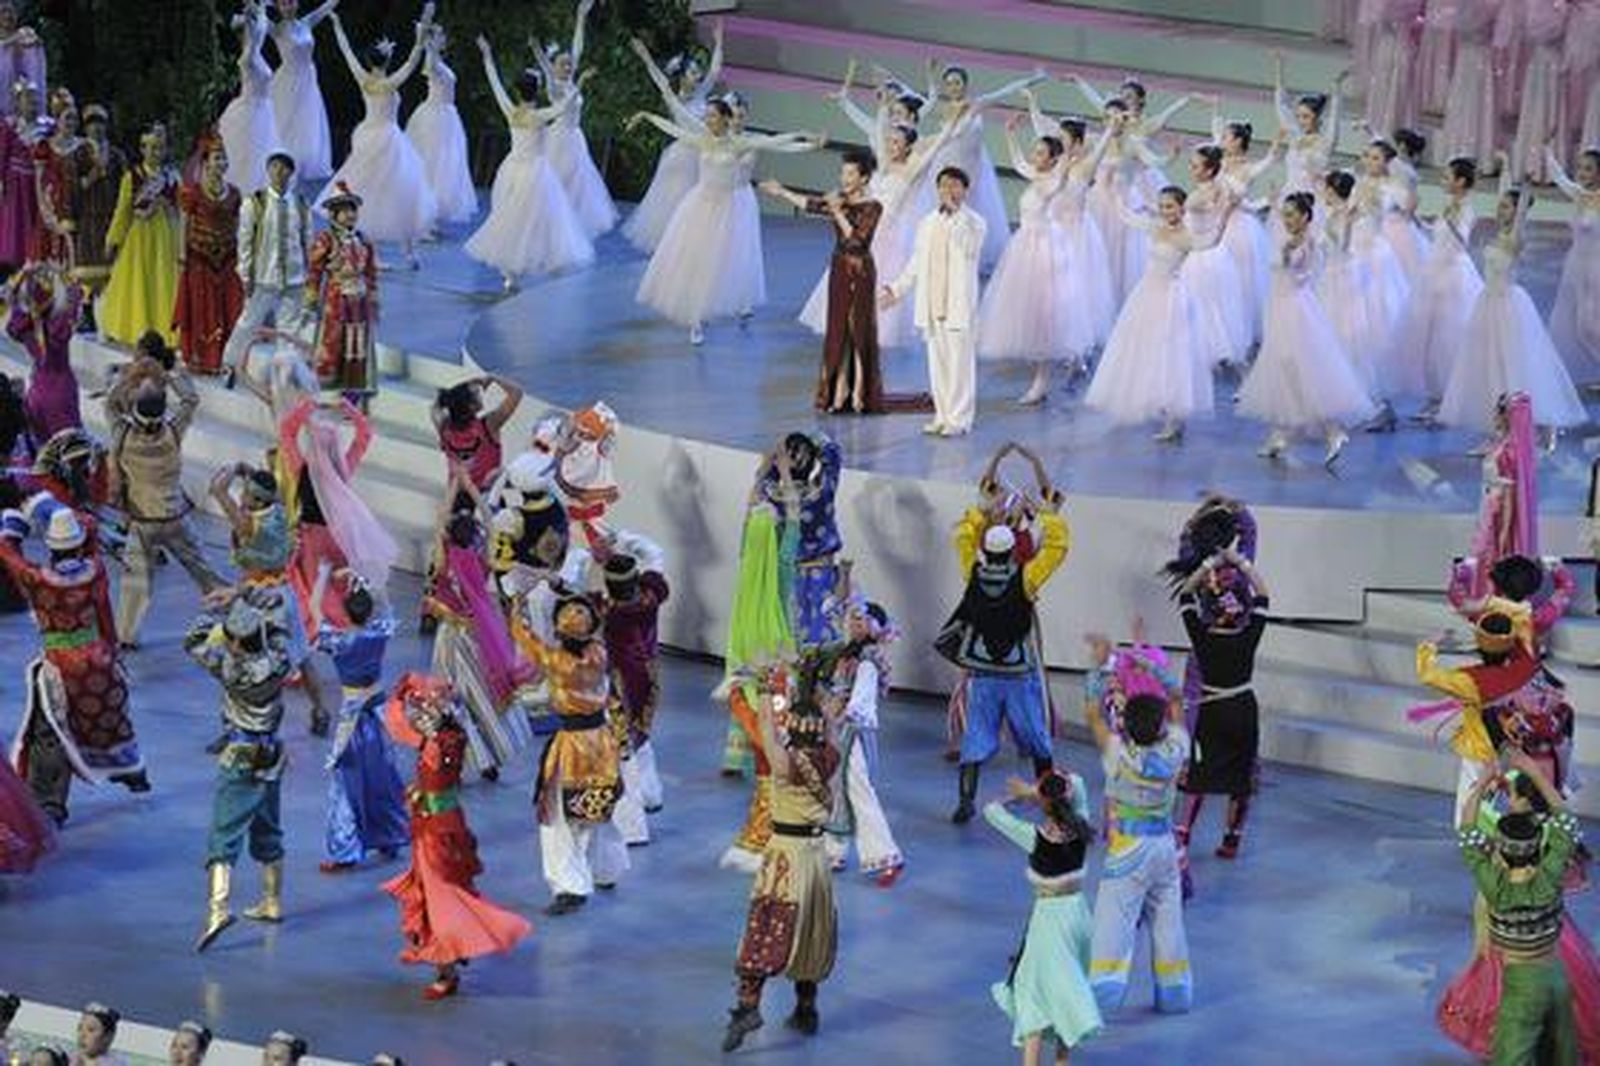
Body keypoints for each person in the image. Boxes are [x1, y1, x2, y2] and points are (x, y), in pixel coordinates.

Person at [381, 672, 532, 999]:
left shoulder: (434, 743)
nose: (417, 715)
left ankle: (447, 966)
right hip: (445, 821)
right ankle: (454, 953)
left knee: (441, 897)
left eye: (421, 710)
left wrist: (400, 693)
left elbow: (394, 724)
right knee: (448, 890)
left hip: (436, 828)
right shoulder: (453, 735)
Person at [938, 450, 1067, 824]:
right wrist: (1049, 515)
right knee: (1037, 737)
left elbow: (963, 534)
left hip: (983, 670)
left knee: (976, 735)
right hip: (1017, 668)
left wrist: (980, 507)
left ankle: (965, 802)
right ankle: (1052, 798)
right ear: (1012, 548)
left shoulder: (972, 572)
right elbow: (1057, 547)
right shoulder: (1026, 578)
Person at [2, 495, 146, 824]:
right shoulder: (94, 571)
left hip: (61, 666)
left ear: (51, 547)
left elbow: (8, 555)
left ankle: (50, 804)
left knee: (50, 731)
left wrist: (12, 527)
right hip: (99, 656)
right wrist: (113, 651)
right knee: (108, 718)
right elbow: (104, 612)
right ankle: (130, 770)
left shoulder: (39, 580)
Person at [721, 655, 839, 1053]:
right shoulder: (829, 759)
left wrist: (769, 690)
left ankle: (747, 1006)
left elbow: (767, 731)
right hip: (815, 859)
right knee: (809, 934)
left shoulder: (786, 764)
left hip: (783, 859)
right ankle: (807, 1008)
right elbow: (833, 728)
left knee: (766, 930)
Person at [631, 101, 822, 345]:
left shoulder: (739, 144)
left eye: (712, 116)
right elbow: (673, 129)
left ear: (725, 118)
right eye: (707, 116)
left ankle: (701, 314)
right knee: (694, 260)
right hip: (698, 205)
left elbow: (775, 143)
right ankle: (695, 319)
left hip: (724, 211)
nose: (708, 120)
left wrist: (804, 139)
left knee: (714, 265)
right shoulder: (702, 139)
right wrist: (647, 113)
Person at [1451, 757, 1593, 1061]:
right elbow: (1565, 820)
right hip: (1556, 976)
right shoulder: (1549, 876)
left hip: (1522, 986)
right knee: (1561, 1055)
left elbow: (1466, 830)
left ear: (1500, 849)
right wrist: (1535, 774)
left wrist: (1481, 785)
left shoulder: (1497, 888)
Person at [187, 584, 296, 952]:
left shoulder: (228, 666)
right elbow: (279, 618)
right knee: (268, 827)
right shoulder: (279, 660)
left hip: (240, 755)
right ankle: (272, 900)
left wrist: (220, 611)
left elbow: (193, 639)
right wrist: (248, 603)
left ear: (234, 641)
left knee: (224, 834)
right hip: (272, 754)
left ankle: (218, 910)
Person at [1441, 168, 1586, 436]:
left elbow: (1519, 215)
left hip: (1507, 304)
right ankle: (1497, 428)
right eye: (1500, 206)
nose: (1500, 211)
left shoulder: (1516, 237)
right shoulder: (1498, 234)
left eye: (1506, 207)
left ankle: (1521, 427)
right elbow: (1505, 196)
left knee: (1510, 364)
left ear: (1517, 211)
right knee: (1487, 362)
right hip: (1487, 302)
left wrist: (1527, 187)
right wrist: (1507, 166)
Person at [512, 579, 627, 915]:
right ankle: (607, 869)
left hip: (573, 747)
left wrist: (516, 601)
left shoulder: (557, 662)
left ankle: (570, 886)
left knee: (558, 817)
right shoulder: (600, 654)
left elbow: (522, 635)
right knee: (597, 809)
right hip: (602, 742)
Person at [762, 150, 907, 415]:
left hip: (860, 270)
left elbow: (857, 241)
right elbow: (810, 204)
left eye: (851, 173)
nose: (845, 178)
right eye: (843, 173)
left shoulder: (873, 206)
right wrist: (782, 191)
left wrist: (838, 211)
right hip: (840, 268)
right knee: (838, 328)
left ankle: (860, 389)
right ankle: (839, 385)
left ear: (864, 178)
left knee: (858, 327)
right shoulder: (839, 200)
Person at [1083, 185, 1230, 443]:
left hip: (1171, 298)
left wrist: (1226, 214)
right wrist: (1115, 195)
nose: (1165, 211)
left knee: (1171, 354)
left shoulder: (1186, 236)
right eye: (1162, 206)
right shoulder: (1156, 228)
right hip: (1146, 293)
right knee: (1146, 349)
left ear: (1182, 208)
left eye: (1170, 206)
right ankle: (1158, 404)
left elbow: (1211, 242)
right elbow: (1129, 217)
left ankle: (1174, 418)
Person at [1236, 192, 1374, 465]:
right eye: (1283, 214)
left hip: (1295, 311)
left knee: (1297, 372)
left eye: (1290, 214)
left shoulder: (1309, 243)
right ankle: (1281, 434)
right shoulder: (1291, 240)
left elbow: (1299, 273)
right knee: (1284, 372)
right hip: (1280, 308)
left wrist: (1288, 256)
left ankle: (1331, 431)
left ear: (1305, 217)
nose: (1285, 219)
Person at [1084, 691, 1193, 1015]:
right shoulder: (1174, 751)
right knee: (1168, 920)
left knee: (1113, 924)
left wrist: (1097, 689)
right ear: (1160, 726)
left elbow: (1095, 721)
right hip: (1165, 847)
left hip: (1129, 849)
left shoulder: (1119, 755)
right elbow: (1177, 718)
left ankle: (1103, 997)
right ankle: (1175, 994)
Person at [105, 359, 225, 647]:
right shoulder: (173, 431)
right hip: (174, 518)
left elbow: (110, 404)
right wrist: (171, 376)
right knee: (202, 568)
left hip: (142, 522)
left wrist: (128, 377)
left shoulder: (123, 434)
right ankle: (233, 609)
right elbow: (191, 399)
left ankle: (127, 637)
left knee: (135, 583)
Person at [426, 467, 536, 782]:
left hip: (450, 638)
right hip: (479, 637)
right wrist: (471, 486)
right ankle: (489, 759)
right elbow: (489, 518)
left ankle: (453, 760)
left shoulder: (444, 561)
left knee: (451, 699)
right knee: (482, 696)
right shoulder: (483, 556)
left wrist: (455, 485)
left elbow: (438, 524)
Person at [987, 772, 1101, 1065]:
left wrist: (1021, 795)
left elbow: (991, 811)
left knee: (1031, 991)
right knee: (1066, 988)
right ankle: (1062, 1061)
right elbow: (1078, 781)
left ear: (1044, 804)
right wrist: (1039, 792)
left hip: (1048, 919)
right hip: (1077, 914)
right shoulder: (1082, 825)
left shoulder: (1035, 837)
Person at [466, 42, 594, 290]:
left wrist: (488, 56)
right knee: (536, 221)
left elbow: (495, 84)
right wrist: (582, 82)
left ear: (518, 92)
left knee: (510, 219)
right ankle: (535, 261)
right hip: (535, 173)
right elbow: (565, 106)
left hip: (512, 169)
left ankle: (510, 273)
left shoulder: (510, 111)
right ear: (536, 92)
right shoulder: (539, 115)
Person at [1173, 542, 1270, 865]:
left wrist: (1210, 562)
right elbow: (1263, 593)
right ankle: (1232, 839)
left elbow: (1185, 594)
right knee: (1242, 775)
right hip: (1243, 708)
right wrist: (1239, 561)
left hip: (1213, 710)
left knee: (1200, 772)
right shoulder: (1248, 636)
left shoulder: (1202, 638)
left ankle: (1183, 833)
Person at [318, 6, 439, 264]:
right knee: (402, 192)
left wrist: (338, 26)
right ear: (386, 60)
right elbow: (412, 62)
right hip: (387, 138)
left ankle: (380, 252)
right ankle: (407, 250)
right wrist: (419, 38)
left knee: (372, 192)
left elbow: (347, 52)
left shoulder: (364, 78)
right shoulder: (389, 82)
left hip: (366, 134)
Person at [310, 564, 408, 872]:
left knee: (345, 783)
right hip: (378, 714)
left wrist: (324, 573)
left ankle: (345, 849)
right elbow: (386, 605)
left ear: (345, 612)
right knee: (382, 776)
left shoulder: (338, 642)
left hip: (351, 717)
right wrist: (364, 579)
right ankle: (390, 835)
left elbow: (313, 609)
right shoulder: (378, 634)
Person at [880, 166, 986, 436]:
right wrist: (897, 289)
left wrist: (956, 213)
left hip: (957, 304)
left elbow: (969, 247)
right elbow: (916, 261)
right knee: (938, 363)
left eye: (954, 186)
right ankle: (942, 415)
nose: (948, 191)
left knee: (959, 365)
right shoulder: (927, 222)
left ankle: (960, 419)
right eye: (943, 186)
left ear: (965, 190)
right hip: (932, 302)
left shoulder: (974, 222)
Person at [279, 393, 398, 630]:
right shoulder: (342, 470)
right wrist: (349, 408)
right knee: (339, 582)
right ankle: (350, 616)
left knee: (317, 583)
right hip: (341, 536)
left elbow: (286, 433)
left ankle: (326, 620)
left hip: (312, 538)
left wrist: (306, 406)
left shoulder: (301, 469)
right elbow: (364, 437)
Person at [1415, 607, 1544, 824]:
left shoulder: (1470, 681)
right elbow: (1523, 626)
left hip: (1481, 750)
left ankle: (1475, 844)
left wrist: (1429, 646)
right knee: (1520, 799)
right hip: (1519, 748)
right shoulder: (1526, 665)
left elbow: (1428, 675)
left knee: (1470, 805)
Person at [821, 577, 904, 886]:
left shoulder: (867, 661)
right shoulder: (849, 655)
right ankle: (834, 851)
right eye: (852, 618)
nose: (853, 623)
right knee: (837, 789)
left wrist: (836, 711)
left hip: (854, 732)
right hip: (841, 730)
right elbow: (831, 610)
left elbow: (860, 702)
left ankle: (886, 855)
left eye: (860, 619)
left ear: (873, 627)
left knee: (859, 791)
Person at [1393, 157, 1484, 423]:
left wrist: (1452, 222)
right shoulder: (1450, 206)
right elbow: (1439, 233)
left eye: (1447, 177)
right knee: (1431, 339)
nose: (1443, 181)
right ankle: (1435, 398)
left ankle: (1447, 398)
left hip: (1454, 278)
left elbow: (1462, 240)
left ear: (1461, 182)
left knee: (1448, 338)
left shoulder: (1466, 209)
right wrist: (1418, 221)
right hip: (1435, 273)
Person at [624, 25, 724, 252]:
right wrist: (644, 55)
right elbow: (659, 78)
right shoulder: (673, 98)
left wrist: (719, 43)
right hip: (682, 156)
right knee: (674, 202)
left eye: (698, 72)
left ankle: (688, 244)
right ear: (682, 76)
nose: (698, 76)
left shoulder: (701, 93)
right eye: (693, 72)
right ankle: (669, 245)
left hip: (702, 156)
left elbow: (715, 71)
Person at [597, 534, 670, 844]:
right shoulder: (650, 596)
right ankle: (652, 792)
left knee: (623, 746)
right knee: (640, 736)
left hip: (619, 683)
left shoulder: (607, 613)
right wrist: (625, 540)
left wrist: (595, 555)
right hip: (649, 676)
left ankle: (633, 823)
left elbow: (568, 588)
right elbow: (655, 552)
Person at [222, 151, 313, 383]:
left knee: (289, 328)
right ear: (268, 170)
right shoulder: (256, 203)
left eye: (284, 168)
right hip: (264, 276)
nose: (279, 173)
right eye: (274, 167)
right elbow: (245, 241)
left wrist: (308, 272)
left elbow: (307, 240)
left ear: (291, 173)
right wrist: (245, 273)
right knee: (249, 322)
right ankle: (230, 365)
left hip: (293, 277)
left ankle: (285, 374)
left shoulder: (300, 204)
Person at [536, 0, 617, 237]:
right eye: (563, 64)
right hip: (558, 138)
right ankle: (547, 221)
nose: (569, 66)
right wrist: (538, 51)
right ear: (554, 66)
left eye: (570, 64)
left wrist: (581, 16)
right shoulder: (554, 87)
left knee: (576, 183)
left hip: (575, 137)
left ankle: (567, 224)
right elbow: (545, 66)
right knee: (556, 179)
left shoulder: (570, 80)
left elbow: (577, 47)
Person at [101, 124, 181, 347]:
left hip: (165, 236)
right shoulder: (132, 176)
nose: (156, 152)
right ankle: (134, 327)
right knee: (138, 282)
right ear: (142, 149)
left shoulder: (172, 176)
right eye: (151, 147)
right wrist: (113, 239)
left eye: (160, 148)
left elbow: (181, 211)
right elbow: (123, 210)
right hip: (139, 236)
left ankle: (165, 331)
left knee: (163, 283)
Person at [174, 134, 245, 376]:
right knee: (202, 308)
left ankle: (225, 359)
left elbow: (237, 224)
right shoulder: (191, 192)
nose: (221, 163)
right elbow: (184, 221)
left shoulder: (234, 193)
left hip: (227, 259)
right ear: (206, 162)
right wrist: (182, 253)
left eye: (224, 158)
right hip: (199, 258)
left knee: (228, 306)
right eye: (217, 158)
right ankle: (201, 359)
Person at [305, 182, 379, 394]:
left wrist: (372, 294)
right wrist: (311, 294)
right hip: (337, 299)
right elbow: (314, 269)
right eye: (344, 211)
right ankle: (327, 387)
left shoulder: (363, 239)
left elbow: (370, 270)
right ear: (333, 215)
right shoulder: (326, 239)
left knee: (357, 343)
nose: (350, 215)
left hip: (360, 300)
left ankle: (353, 389)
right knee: (333, 341)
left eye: (352, 210)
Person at [404, 23, 477, 226]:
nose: (443, 37)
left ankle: (431, 212)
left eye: (442, 34)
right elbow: (430, 65)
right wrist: (428, 42)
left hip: (447, 116)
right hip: (435, 117)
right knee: (432, 163)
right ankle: (423, 215)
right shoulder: (432, 61)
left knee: (444, 166)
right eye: (440, 35)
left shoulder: (441, 62)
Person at [7, 263, 84, 444]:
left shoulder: (25, 327)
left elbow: (14, 304)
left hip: (36, 392)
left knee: (42, 454)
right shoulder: (58, 327)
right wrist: (60, 274)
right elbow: (75, 294)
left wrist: (24, 276)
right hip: (61, 392)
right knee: (70, 452)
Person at [1545, 146, 1600, 383]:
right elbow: (1559, 177)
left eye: (1588, 169)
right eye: (1580, 167)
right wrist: (1547, 150)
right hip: (1575, 267)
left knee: (1586, 325)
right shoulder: (1580, 195)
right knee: (1573, 325)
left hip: (1594, 269)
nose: (1582, 172)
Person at [268, 0, 337, 181]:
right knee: (287, 123)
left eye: (290, 2)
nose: (288, 7)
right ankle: (283, 164)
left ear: (297, 4)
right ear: (278, 7)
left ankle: (304, 163)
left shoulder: (306, 22)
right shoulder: (276, 29)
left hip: (308, 79)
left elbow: (326, 6)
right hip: (288, 82)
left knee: (308, 122)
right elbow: (256, 16)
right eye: (283, 4)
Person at [218, 1, 278, 194]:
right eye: (249, 31)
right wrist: (255, 19)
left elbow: (259, 36)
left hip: (263, 110)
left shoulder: (257, 55)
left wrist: (260, 9)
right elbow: (255, 40)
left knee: (260, 154)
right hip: (250, 111)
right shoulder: (247, 58)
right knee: (248, 154)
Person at [0, 77, 43, 272]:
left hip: (38, 181)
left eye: (34, 99)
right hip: (16, 183)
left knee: (38, 220)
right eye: (27, 99)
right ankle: (16, 266)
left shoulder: (47, 126)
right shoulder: (9, 126)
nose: (32, 103)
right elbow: (2, 154)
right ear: (18, 102)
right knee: (17, 223)